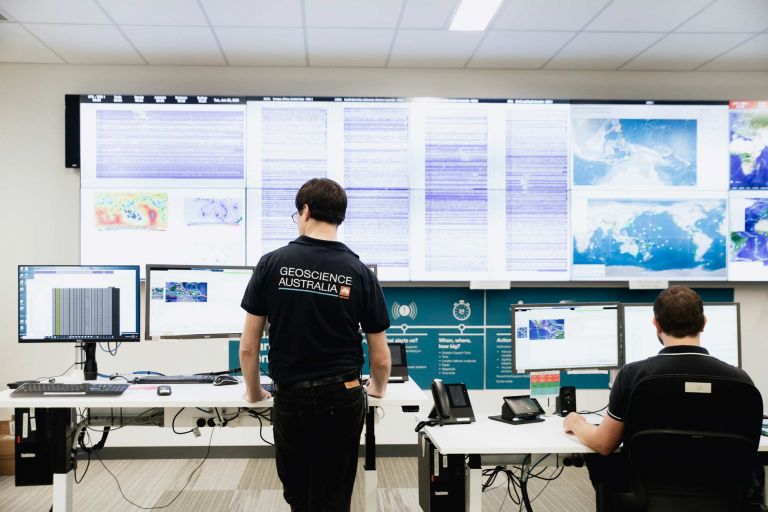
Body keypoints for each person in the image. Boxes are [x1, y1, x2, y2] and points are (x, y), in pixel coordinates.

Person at [239, 177, 392, 512]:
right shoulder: (360, 272)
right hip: (344, 393)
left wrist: (253, 393)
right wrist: (377, 388)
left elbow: (249, 347)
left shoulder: (271, 263)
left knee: (298, 495)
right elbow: (381, 358)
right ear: (340, 216)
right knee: (333, 498)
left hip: (291, 396)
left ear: (305, 211)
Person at [563, 285, 755, 496]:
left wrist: (575, 422)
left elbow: (604, 444)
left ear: (656, 323)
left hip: (647, 499)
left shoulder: (633, 375)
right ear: (704, 323)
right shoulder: (740, 381)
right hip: (722, 498)